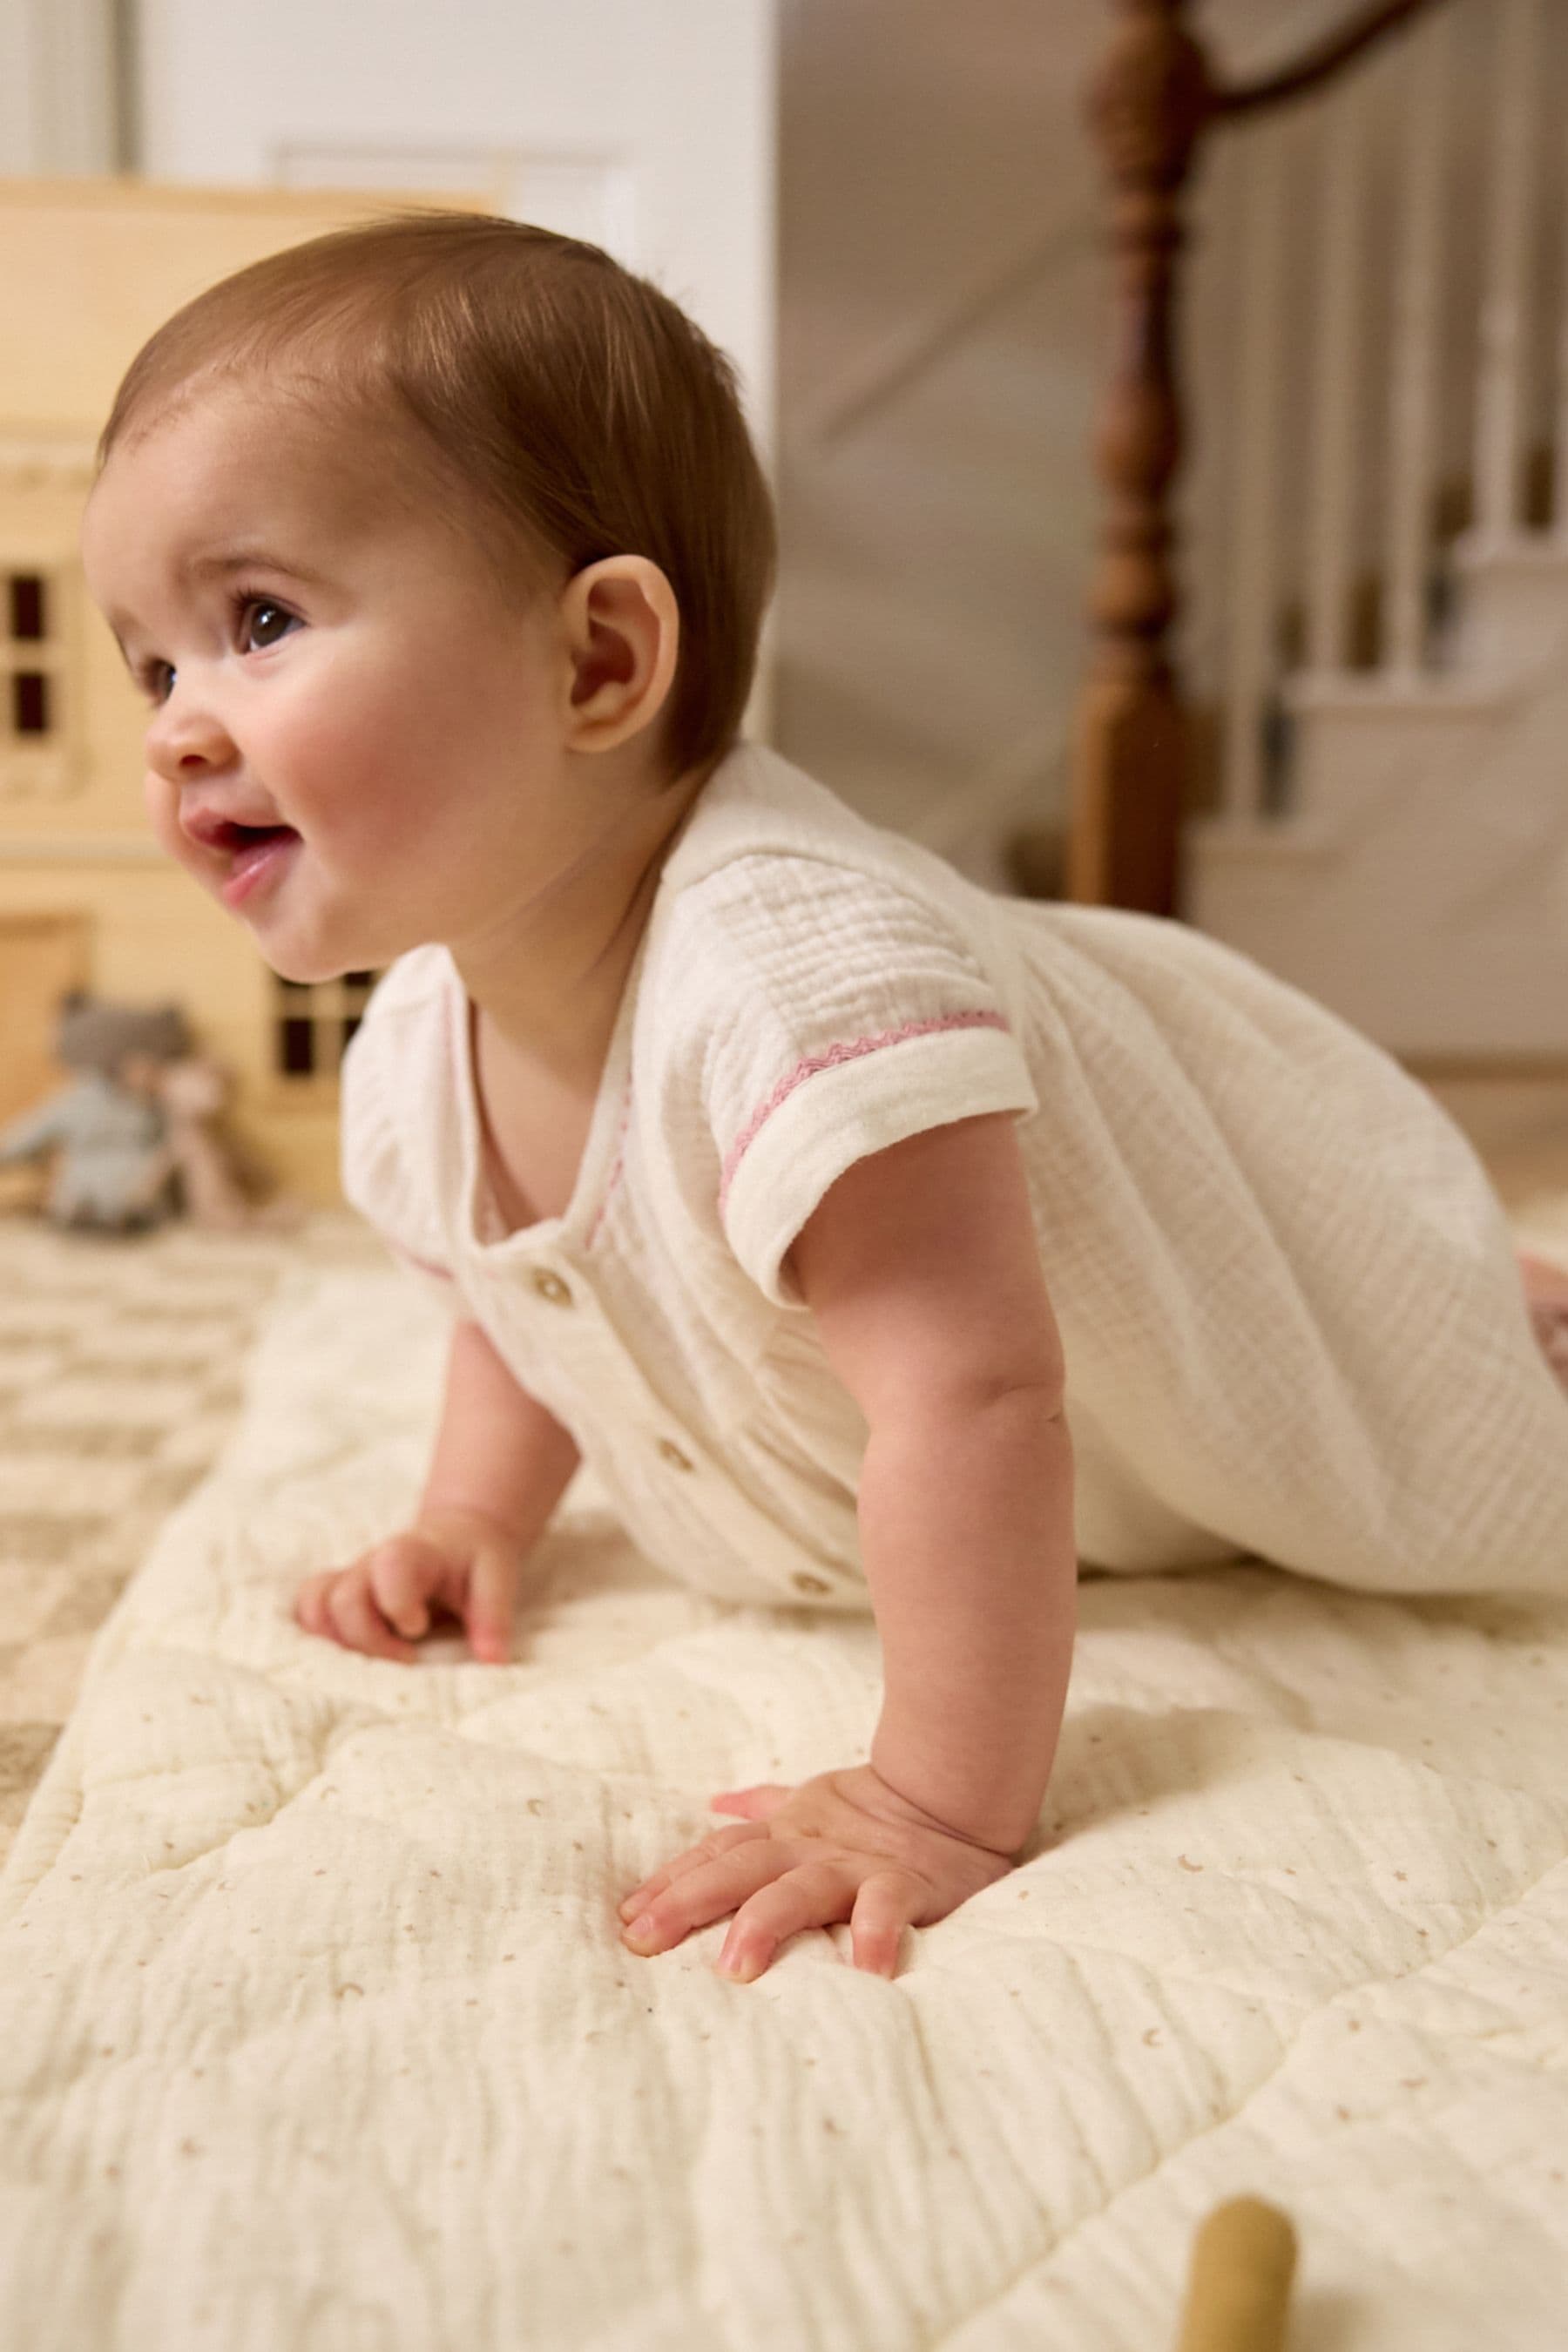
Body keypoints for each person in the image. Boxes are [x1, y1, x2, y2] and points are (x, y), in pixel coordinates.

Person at [79, 212, 1568, 1990]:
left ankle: (1497, 1298)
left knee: (1409, 1358)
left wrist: (938, 1799)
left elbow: (978, 1396)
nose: (176, 726)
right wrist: (480, 1516)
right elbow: (530, 1288)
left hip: (1230, 1241)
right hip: (1087, 1369)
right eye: (153, 663)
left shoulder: (793, 981)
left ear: (598, 664)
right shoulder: (420, 1036)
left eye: (258, 622)